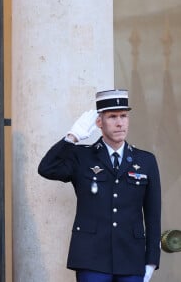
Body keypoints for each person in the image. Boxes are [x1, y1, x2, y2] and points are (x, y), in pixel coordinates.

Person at [38, 89, 161, 282]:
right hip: (91, 257)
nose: (120, 123)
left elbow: (153, 215)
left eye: (124, 116)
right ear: (99, 122)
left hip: (131, 256)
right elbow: (46, 168)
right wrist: (72, 137)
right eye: (112, 117)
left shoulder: (146, 161)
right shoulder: (82, 156)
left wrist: (152, 260)